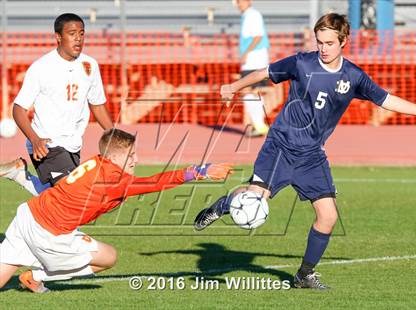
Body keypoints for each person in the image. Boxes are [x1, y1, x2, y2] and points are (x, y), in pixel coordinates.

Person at [194, 13, 416, 289]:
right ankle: (223, 205)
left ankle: (304, 275)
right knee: (253, 202)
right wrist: (233, 86)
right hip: (280, 146)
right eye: (320, 42)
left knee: (328, 216)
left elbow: (385, 99)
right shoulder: (302, 63)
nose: (323, 48)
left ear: (344, 41)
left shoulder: (353, 76)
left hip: (312, 155)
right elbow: (265, 72)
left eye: (329, 43)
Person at [0, 128, 232, 293]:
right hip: (50, 233)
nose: (136, 160)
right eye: (131, 156)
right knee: (108, 257)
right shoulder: (113, 179)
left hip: (28, 215)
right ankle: (35, 276)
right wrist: (199, 171)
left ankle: (20, 175)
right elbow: (155, 183)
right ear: (114, 156)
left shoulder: (97, 161)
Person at [0, 13, 113, 195]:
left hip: (73, 143)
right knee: (72, 196)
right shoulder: (41, 67)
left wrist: (115, 136)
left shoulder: (89, 65)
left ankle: (19, 174)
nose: (78, 38)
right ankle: (19, 175)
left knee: (59, 200)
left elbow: (97, 105)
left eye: (82, 33)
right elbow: (18, 109)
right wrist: (35, 140)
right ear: (58, 37)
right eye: (72, 33)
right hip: (46, 144)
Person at [236, 0, 270, 137]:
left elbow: (258, 36)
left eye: (241, 1)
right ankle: (259, 125)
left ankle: (259, 125)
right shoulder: (247, 16)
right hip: (256, 59)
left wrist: (245, 53)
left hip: (254, 59)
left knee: (246, 90)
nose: (238, 4)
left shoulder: (252, 15)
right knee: (254, 92)